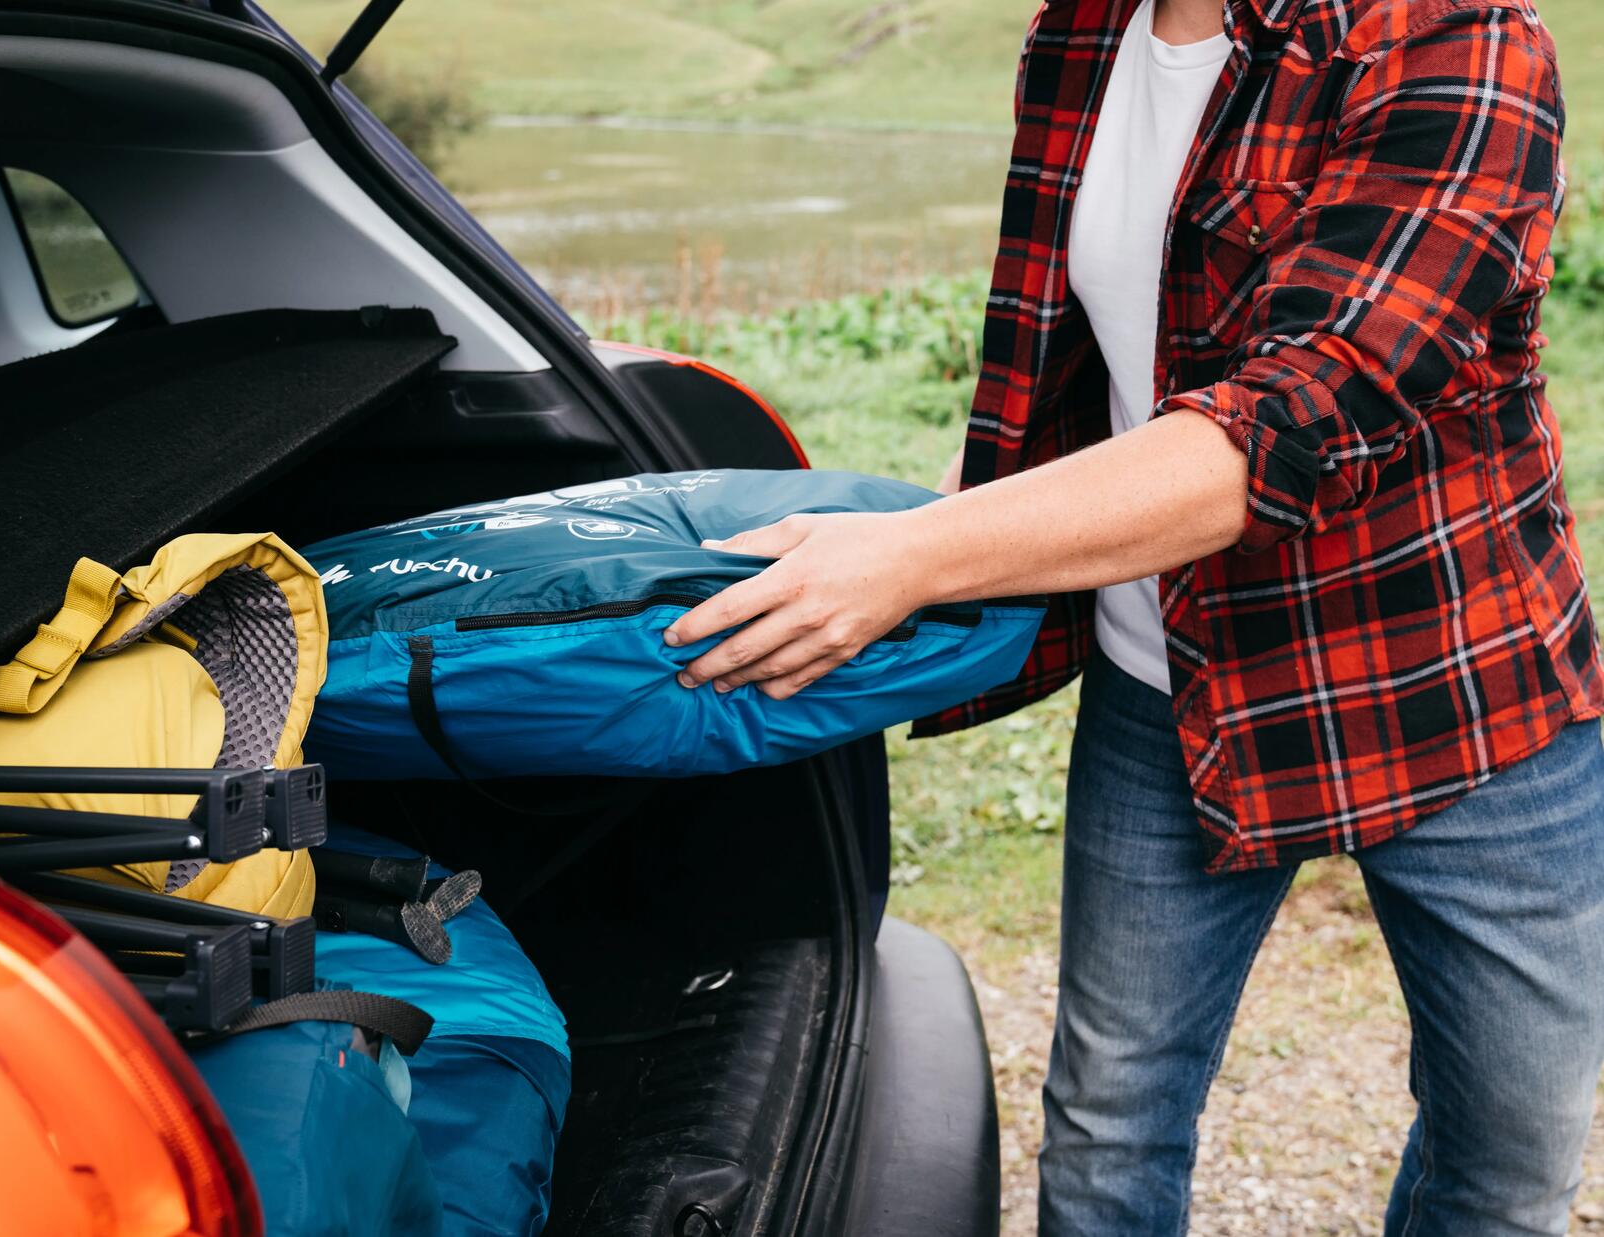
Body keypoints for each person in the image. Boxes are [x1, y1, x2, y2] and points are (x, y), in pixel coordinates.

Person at [661, 0, 1604, 1230]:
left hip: (1453, 695)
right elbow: (1073, 378)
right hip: (1169, 686)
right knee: (1110, 1133)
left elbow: (1293, 423)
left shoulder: (1459, 36)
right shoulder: (1081, 36)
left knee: (1508, 1159)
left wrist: (915, 558)